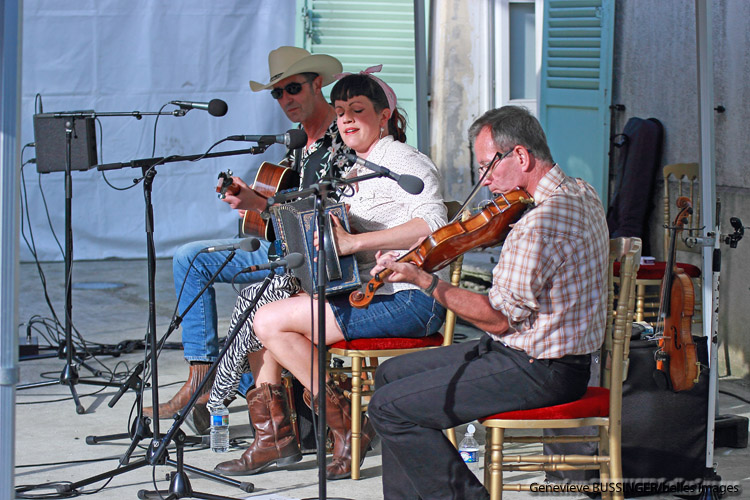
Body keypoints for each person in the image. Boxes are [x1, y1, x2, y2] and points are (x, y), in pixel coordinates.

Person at [207, 68, 448, 480]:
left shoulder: (403, 161)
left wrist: (355, 244)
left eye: (358, 110)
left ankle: (340, 427)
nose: (347, 120)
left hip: (408, 297)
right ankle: (292, 433)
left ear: (385, 115)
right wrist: (258, 204)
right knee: (265, 310)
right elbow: (311, 224)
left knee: (268, 319)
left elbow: (434, 224)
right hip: (364, 291)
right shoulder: (357, 166)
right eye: (340, 113)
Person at [367, 105, 610, 499]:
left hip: (540, 368)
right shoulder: (581, 191)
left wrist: (426, 280)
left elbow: (497, 320)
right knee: (390, 376)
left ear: (521, 156)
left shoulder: (538, 225)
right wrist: (432, 250)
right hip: (544, 356)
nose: (484, 182)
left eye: (488, 167)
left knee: (388, 408)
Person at [144, 46, 353, 422]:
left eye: (293, 89)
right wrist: (253, 200)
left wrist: (261, 205)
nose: (286, 99)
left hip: (308, 260)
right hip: (278, 248)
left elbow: (326, 218)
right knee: (189, 257)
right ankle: (201, 375)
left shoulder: (341, 142)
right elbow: (282, 214)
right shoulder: (295, 146)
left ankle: (238, 385)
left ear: (317, 84)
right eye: (278, 93)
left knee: (249, 296)